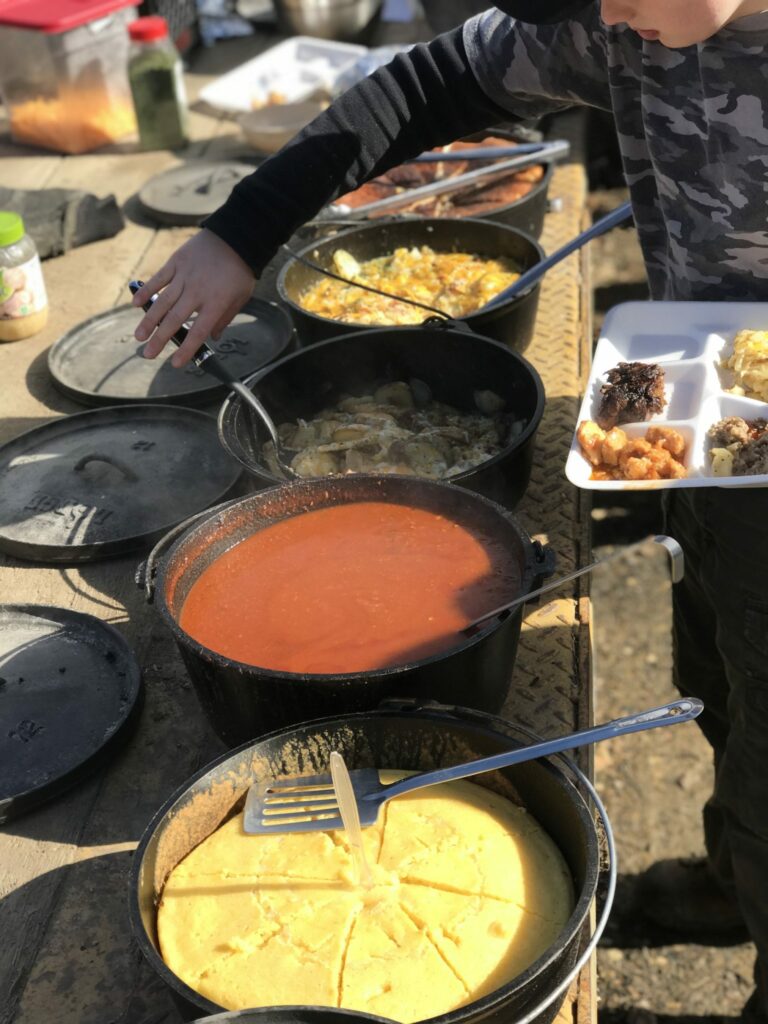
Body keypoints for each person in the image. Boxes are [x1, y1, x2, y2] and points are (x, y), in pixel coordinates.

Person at [133, 2, 768, 1019]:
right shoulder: (618, 18)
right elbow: (428, 83)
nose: (610, 23)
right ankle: (736, 875)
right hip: (716, 412)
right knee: (718, 678)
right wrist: (241, 229)